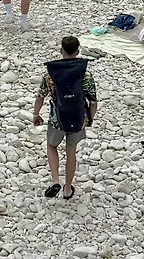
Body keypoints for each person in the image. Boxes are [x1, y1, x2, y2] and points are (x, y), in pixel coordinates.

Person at [32, 34, 96, 199]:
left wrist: (36, 114)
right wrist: (89, 119)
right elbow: (93, 101)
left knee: (51, 146)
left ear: (61, 51)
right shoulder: (85, 75)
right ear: (77, 51)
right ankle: (68, 189)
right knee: (71, 152)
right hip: (77, 118)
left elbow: (40, 97)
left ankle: (55, 181)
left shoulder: (50, 75)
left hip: (57, 119)